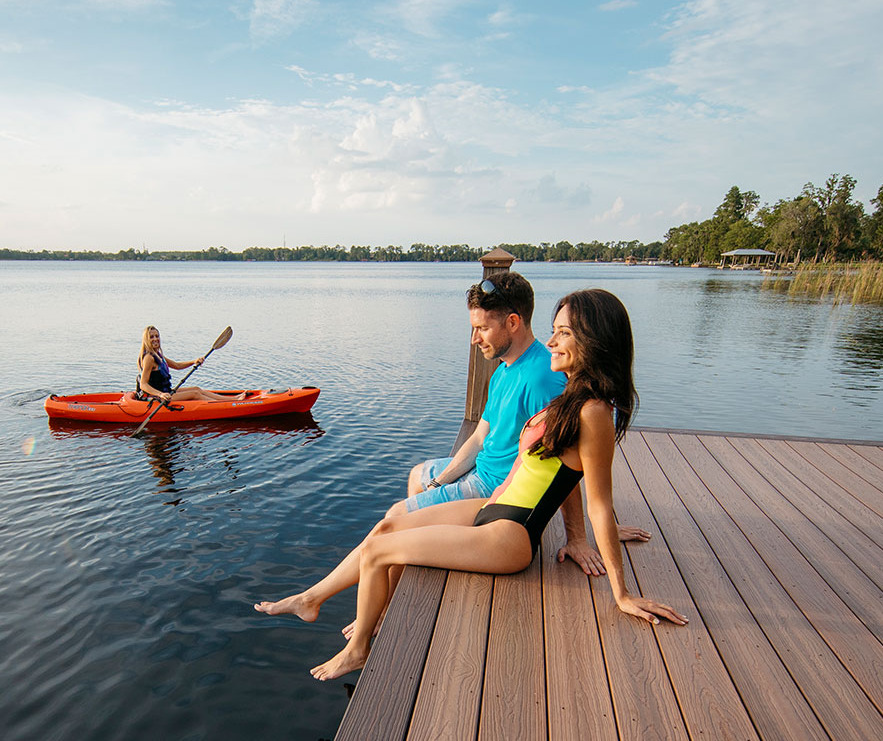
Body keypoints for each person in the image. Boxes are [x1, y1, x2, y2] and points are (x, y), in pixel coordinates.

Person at [256, 288, 686, 680]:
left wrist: (621, 591)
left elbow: (598, 500)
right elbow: (535, 468)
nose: (552, 342)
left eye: (563, 333)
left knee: (378, 550)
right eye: (553, 331)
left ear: (593, 342)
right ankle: (320, 603)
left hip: (511, 534)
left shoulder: (593, 412)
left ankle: (359, 648)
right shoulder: (569, 395)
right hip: (492, 508)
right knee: (386, 528)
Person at [398, 270, 645, 576]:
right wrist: (440, 482)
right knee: (418, 477)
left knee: (395, 529)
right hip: (482, 469)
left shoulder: (543, 379)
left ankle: (403, 585)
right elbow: (478, 438)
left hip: (497, 490)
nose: (474, 339)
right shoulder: (504, 370)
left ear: (512, 323)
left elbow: (562, 460)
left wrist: (579, 537)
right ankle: (423, 557)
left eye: (482, 329)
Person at [135, 326, 236, 405]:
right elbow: (143, 384)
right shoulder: (149, 358)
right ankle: (226, 405)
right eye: (151, 337)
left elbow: (177, 365)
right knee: (194, 394)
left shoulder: (158, 355)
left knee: (196, 389)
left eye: (157, 336)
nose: (155, 339)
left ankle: (233, 399)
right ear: (146, 340)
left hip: (166, 391)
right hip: (157, 396)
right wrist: (161, 394)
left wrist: (194, 361)